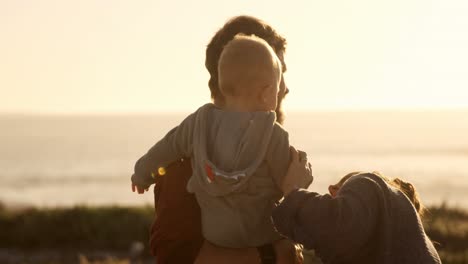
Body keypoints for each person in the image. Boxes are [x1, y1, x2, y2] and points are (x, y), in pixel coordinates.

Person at [132, 16, 306, 263]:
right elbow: (177, 257)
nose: (284, 87)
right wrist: (270, 254)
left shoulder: (269, 148)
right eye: (278, 72)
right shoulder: (184, 167)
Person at [272, 156, 442, 264]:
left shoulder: (368, 183)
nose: (330, 189)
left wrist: (293, 191)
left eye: (341, 187)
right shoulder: (398, 241)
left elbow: (336, 225)